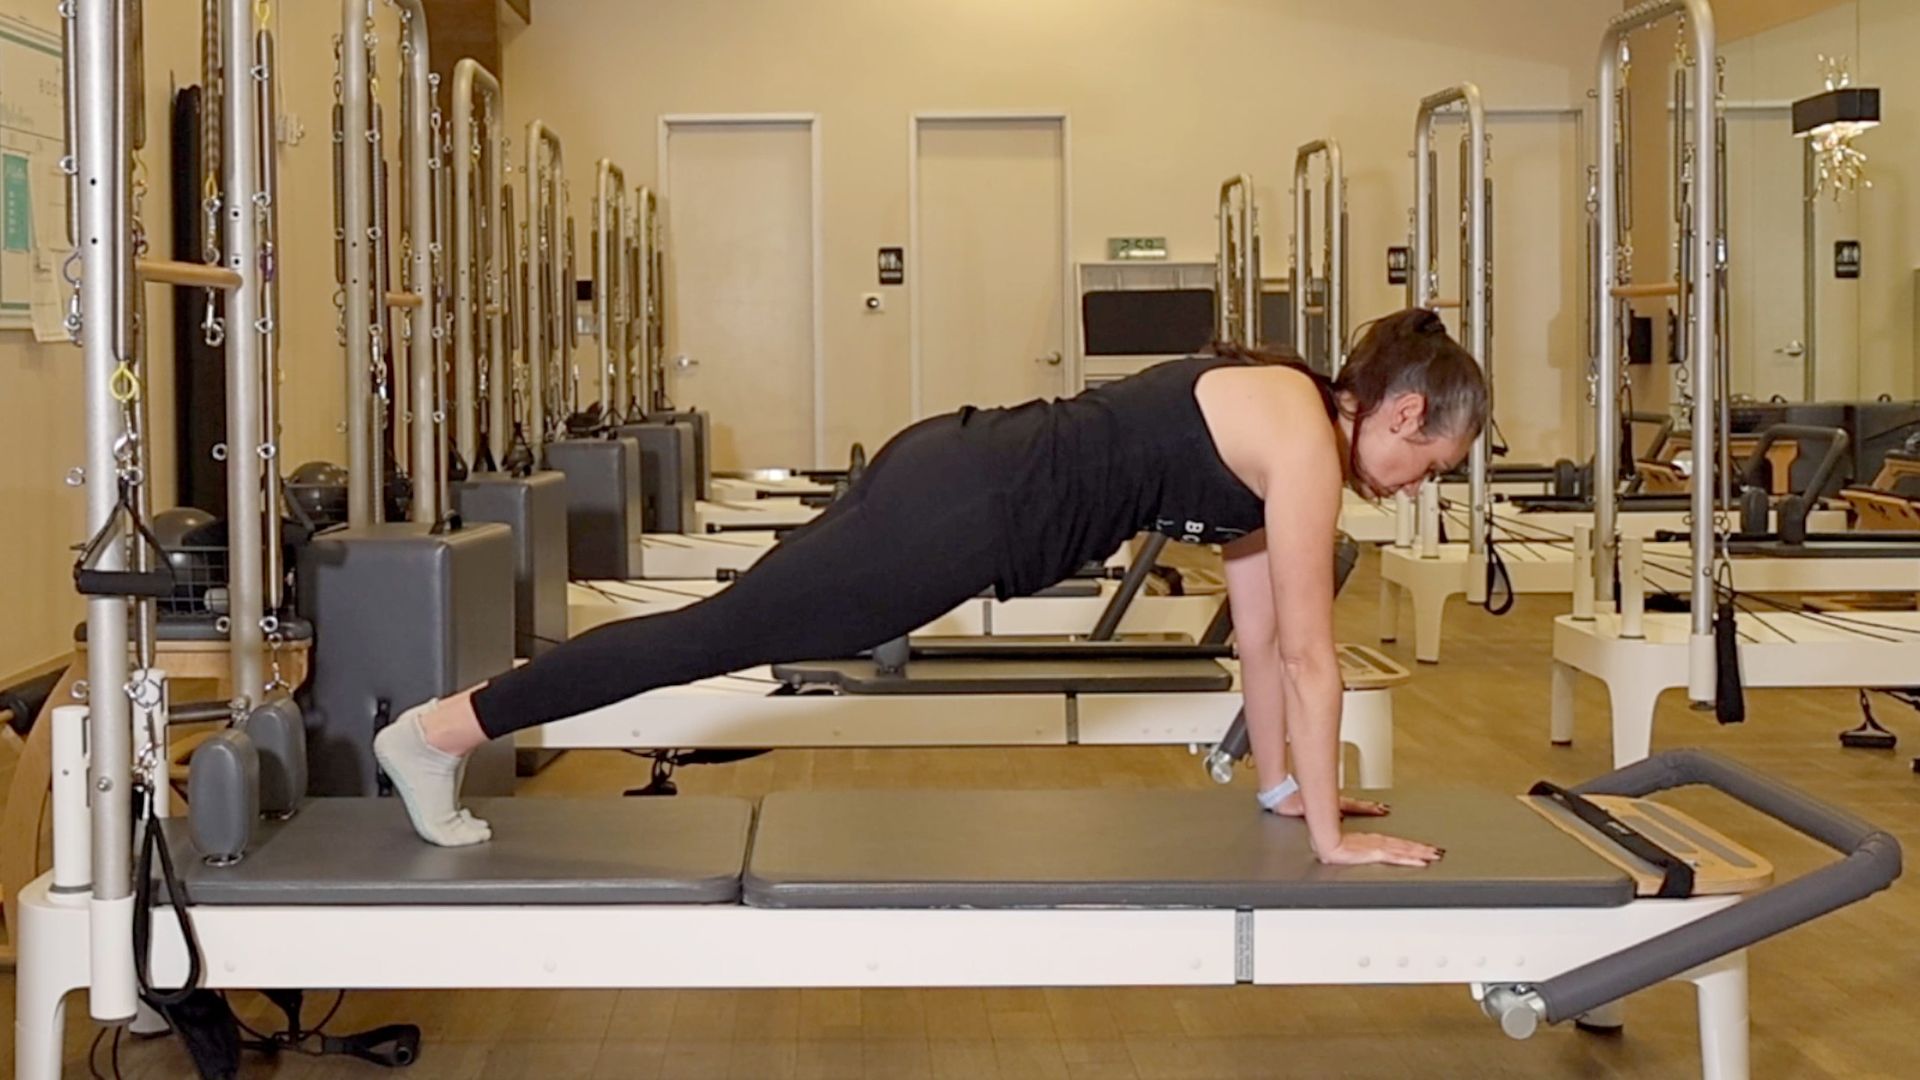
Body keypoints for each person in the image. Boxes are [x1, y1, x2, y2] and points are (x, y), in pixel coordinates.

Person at [374, 307, 1488, 865]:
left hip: (960, 475)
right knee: (712, 639)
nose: (1409, 487)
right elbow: (1308, 654)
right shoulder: (1299, 439)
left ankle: (443, 732)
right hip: (967, 510)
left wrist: (1287, 793)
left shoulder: (1284, 414)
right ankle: (442, 732)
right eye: (1425, 464)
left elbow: (1255, 646)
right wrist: (1338, 842)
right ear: (1398, 413)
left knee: (720, 630)